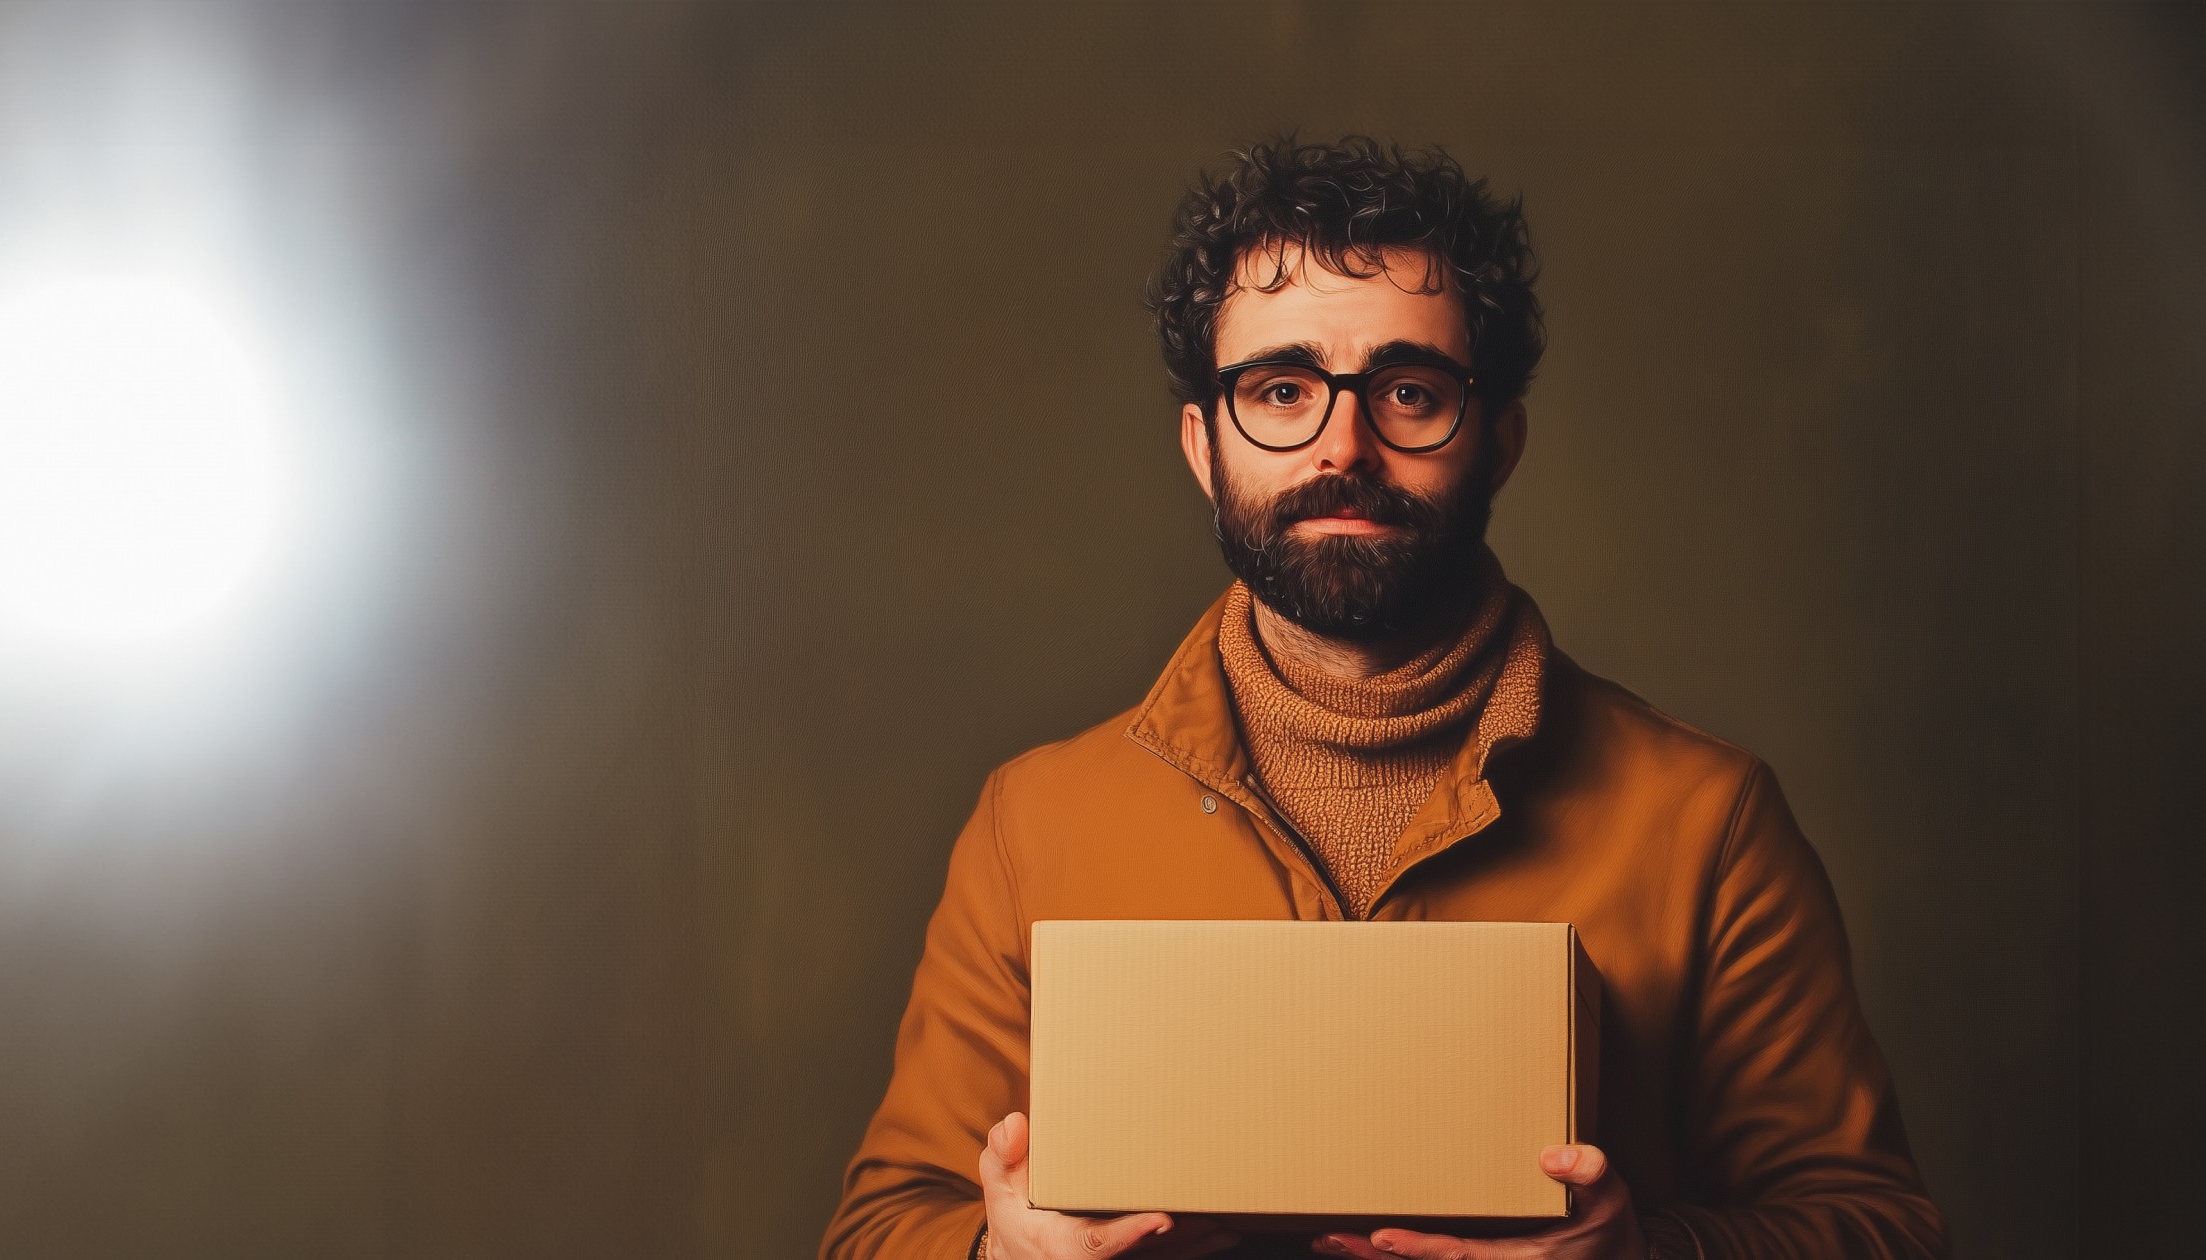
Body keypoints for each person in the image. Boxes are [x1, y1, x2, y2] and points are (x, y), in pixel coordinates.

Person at [817, 136, 1949, 1260]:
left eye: (1409, 391)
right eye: (1281, 390)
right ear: (1203, 446)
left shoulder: (1707, 821)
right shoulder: (1034, 824)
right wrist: (994, 1254)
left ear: (1498, 441)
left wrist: (1649, 1256)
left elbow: (1885, 1231)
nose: (1342, 445)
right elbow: (879, 1229)